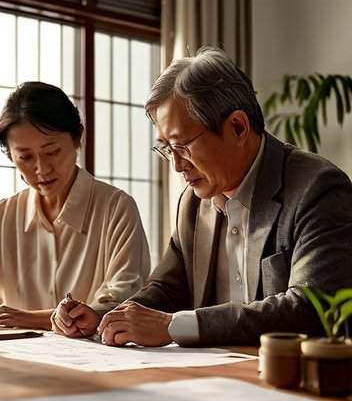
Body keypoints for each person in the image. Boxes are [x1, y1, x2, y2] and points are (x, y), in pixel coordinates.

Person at [53, 46, 352, 346]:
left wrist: (174, 326)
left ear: (237, 127)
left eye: (183, 146)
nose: (177, 165)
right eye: (167, 149)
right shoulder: (193, 202)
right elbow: (167, 290)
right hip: (213, 376)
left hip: (290, 379)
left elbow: (310, 308)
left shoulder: (316, 188)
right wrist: (107, 317)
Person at [0, 81, 150, 329]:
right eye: (25, 157)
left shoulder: (116, 208)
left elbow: (120, 304)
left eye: (52, 152)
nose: (42, 169)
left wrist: (26, 318)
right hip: (21, 358)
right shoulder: (3, 216)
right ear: (11, 156)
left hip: (101, 361)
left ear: (77, 139)